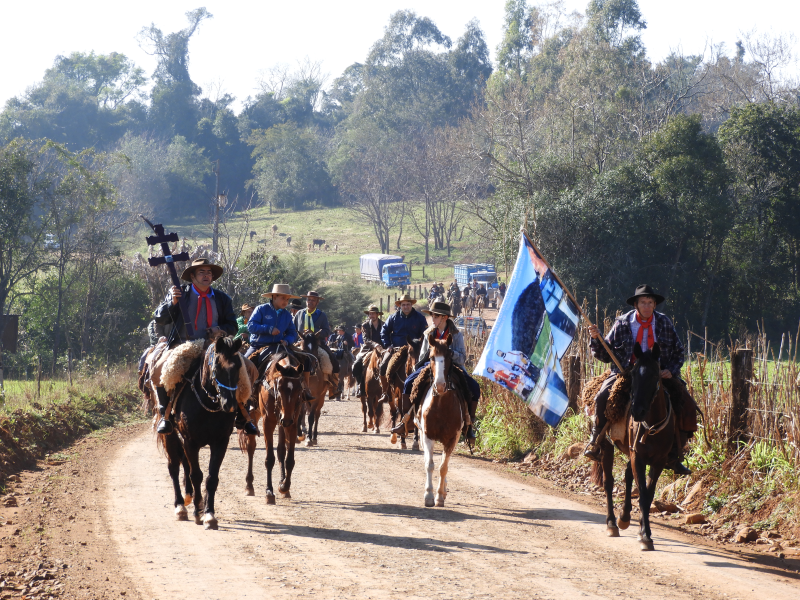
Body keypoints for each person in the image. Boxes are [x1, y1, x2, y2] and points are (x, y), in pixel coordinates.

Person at [585, 284, 695, 475]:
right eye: (643, 302)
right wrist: (596, 338)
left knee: (687, 403)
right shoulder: (622, 323)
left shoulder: (664, 323)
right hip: (626, 373)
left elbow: (679, 352)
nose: (647, 306)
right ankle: (596, 441)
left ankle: (676, 453)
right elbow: (605, 353)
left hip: (658, 375)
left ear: (654, 305)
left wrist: (671, 370)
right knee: (602, 397)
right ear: (636, 304)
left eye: (650, 302)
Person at [151, 258, 240, 435]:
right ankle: (165, 415)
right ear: (192, 276)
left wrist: (219, 329)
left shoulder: (222, 298)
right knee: (159, 371)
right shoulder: (178, 293)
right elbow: (159, 318)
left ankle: (243, 415)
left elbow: (232, 325)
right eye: (202, 272)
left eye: (209, 272)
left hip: (214, 346)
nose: (207, 275)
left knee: (245, 368)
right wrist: (172, 304)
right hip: (183, 345)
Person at [389, 301, 481, 439]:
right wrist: (430, 357)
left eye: (435, 316)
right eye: (432, 316)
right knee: (408, 382)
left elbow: (462, 358)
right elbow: (421, 357)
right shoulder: (428, 334)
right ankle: (406, 420)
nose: (433, 319)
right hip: (431, 366)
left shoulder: (456, 334)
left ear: (444, 317)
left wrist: (447, 352)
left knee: (474, 387)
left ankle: (469, 424)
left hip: (453, 367)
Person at [247, 284, 315, 401]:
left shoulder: (287, 315)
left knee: (306, 359)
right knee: (244, 363)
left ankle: (305, 390)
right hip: (260, 345)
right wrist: (268, 329)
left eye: (287, 299)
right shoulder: (261, 309)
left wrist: (287, 341)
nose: (286, 302)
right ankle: (244, 395)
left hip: (281, 345)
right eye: (283, 298)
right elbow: (251, 326)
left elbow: (292, 333)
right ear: (274, 297)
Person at [293, 290, 340, 375]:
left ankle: (333, 382)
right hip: (301, 343)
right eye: (308, 300)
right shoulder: (299, 313)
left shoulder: (322, 315)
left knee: (331, 359)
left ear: (317, 302)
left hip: (317, 344)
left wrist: (314, 331)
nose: (310, 301)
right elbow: (292, 329)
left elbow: (326, 331)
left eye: (313, 300)